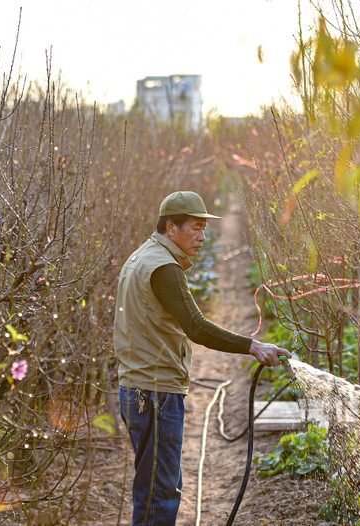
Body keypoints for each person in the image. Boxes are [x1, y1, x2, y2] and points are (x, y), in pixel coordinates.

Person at [113, 190, 291, 526]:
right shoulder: (165, 268)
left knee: (150, 487)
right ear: (170, 228)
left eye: (204, 228)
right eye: (195, 227)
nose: (203, 236)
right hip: (155, 393)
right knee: (160, 492)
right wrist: (253, 346)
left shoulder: (141, 257)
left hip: (136, 389)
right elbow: (195, 326)